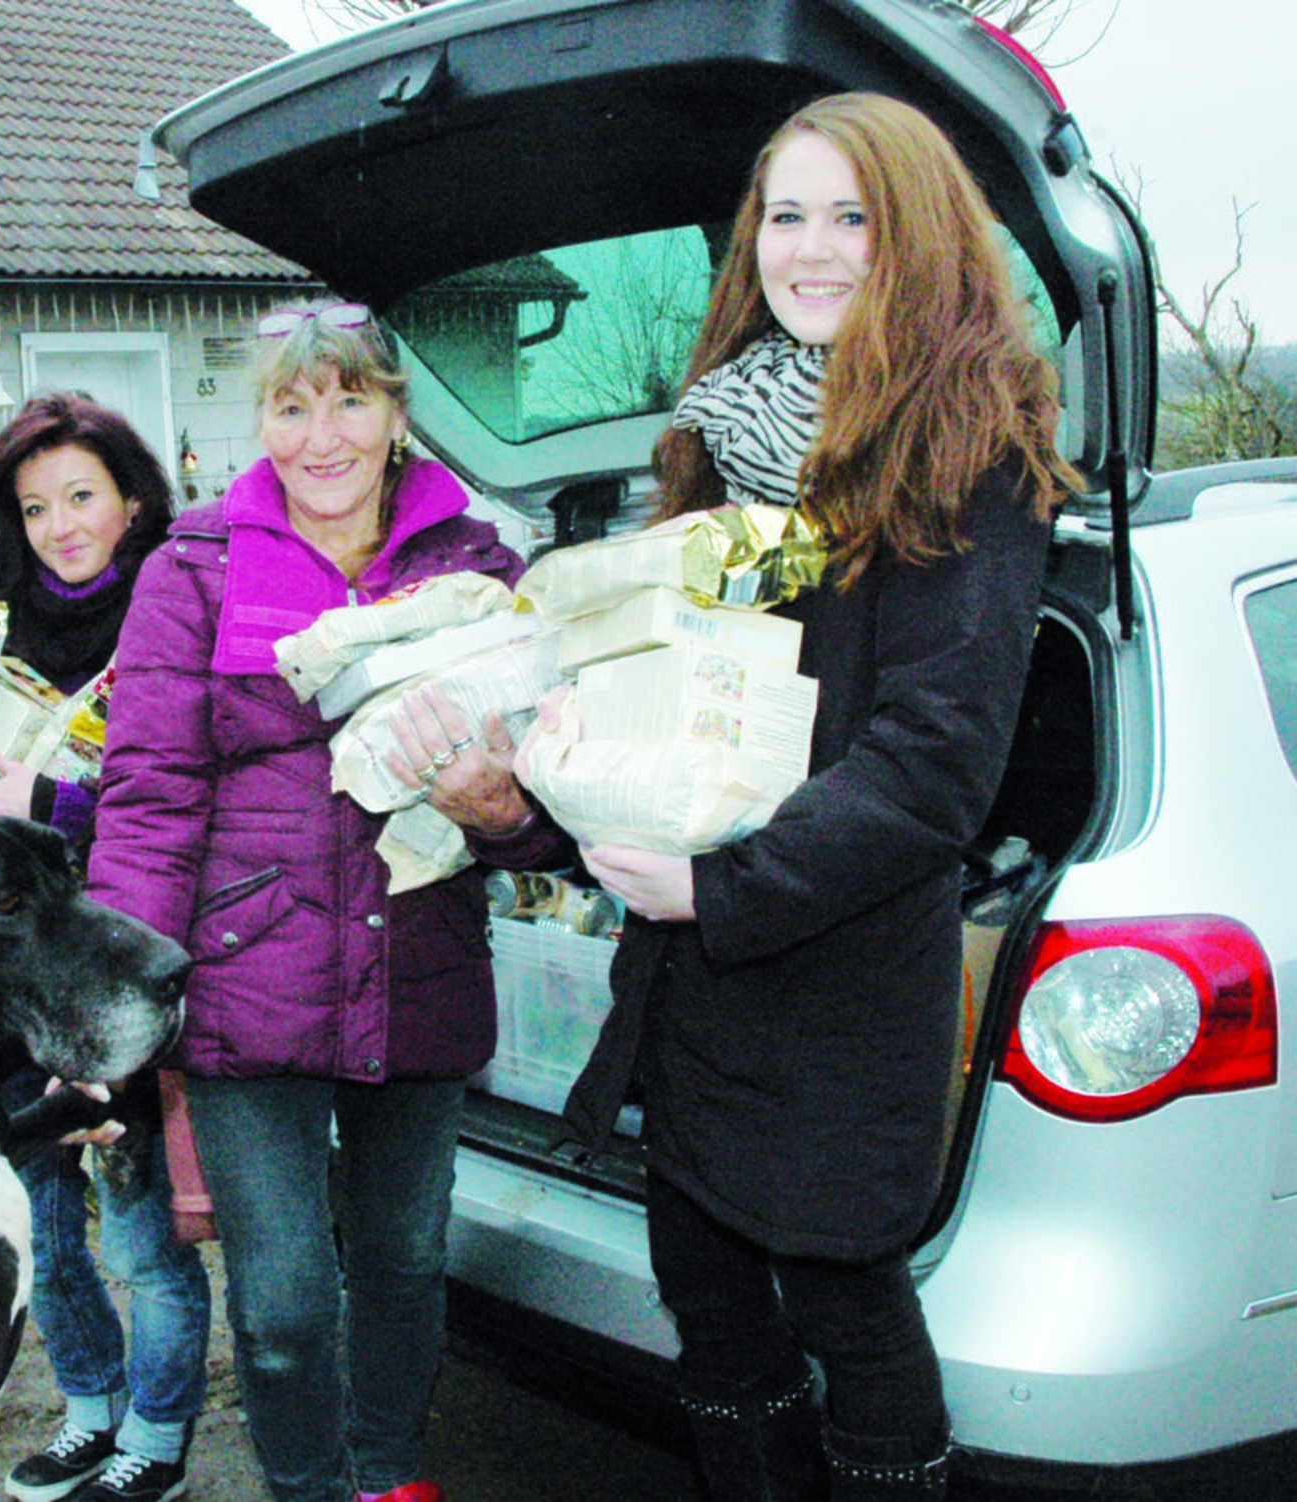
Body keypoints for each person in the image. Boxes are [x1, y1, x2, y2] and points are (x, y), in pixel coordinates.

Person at [555, 93, 1081, 1501]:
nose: (814, 247)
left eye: (852, 214)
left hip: (837, 972)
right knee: (706, 1297)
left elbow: (935, 762)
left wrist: (719, 883)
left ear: (912, 233)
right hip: (700, 978)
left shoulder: (969, 446)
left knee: (848, 1304)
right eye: (786, 214)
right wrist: (560, 746)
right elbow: (692, 691)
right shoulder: (727, 439)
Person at [83, 300, 564, 1502]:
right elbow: (147, 794)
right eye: (290, 407)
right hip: (249, 978)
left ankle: (388, 1471)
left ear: (396, 416)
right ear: (257, 423)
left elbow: (551, 798)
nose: (321, 435)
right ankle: (305, 1486)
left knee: (404, 1257)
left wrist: (501, 808)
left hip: (417, 966)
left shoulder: (479, 569)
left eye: (350, 400)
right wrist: (108, 1008)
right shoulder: (193, 566)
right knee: (287, 1299)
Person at [0, 392, 212, 1502]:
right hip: (18, 978)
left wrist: (50, 799)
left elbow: (191, 793)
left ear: (133, 500)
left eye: (80, 497)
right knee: (45, 1224)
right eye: (33, 508)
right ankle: (89, 1407)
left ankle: (157, 1432)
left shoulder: (181, 608)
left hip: (125, 960)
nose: (60, 525)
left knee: (144, 1229)